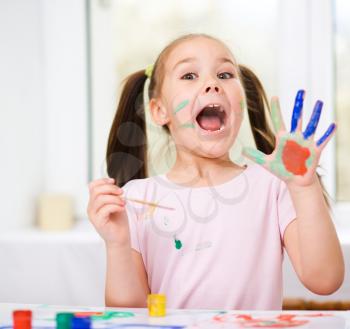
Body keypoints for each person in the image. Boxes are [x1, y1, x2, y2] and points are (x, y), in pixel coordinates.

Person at [87, 34, 344, 310]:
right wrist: (118, 245)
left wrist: (305, 188)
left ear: (242, 104)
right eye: (189, 76)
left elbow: (325, 280)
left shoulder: (272, 186)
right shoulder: (137, 199)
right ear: (160, 110)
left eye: (224, 74)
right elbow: (129, 315)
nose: (212, 84)